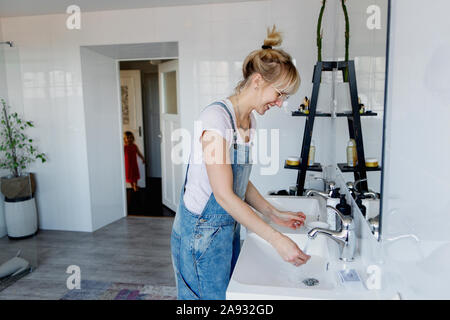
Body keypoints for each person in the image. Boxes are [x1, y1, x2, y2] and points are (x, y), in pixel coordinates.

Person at [171, 25, 310, 300]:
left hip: (226, 230)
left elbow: (238, 181)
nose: (281, 103)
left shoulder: (248, 121)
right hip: (200, 235)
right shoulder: (215, 119)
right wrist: (276, 240)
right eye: (280, 93)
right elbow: (223, 195)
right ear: (258, 81)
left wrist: (273, 212)